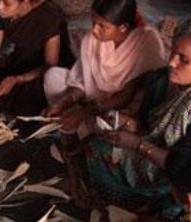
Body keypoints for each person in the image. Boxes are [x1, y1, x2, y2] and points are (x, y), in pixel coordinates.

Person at [88, 18, 191, 218]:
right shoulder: (161, 78)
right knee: (96, 142)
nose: (172, 62)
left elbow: (185, 167)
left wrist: (138, 144)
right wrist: (129, 123)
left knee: (97, 151)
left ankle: (140, 208)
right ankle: (138, 208)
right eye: (172, 52)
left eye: (184, 59)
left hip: (180, 179)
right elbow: (149, 124)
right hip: (153, 153)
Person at [43, 0, 165, 132]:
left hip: (123, 105)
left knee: (117, 119)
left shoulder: (146, 42)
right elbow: (83, 82)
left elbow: (125, 97)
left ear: (123, 27)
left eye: (102, 26)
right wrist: (63, 102)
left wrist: (86, 111)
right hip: (94, 98)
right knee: (53, 77)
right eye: (93, 22)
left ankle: (82, 127)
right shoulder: (92, 40)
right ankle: (77, 124)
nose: (94, 30)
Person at [0, 0, 75, 116]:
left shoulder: (48, 17)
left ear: (25, 4)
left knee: (28, 100)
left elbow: (50, 64)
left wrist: (18, 79)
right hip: (23, 56)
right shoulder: (1, 12)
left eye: (7, 3)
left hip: (48, 67)